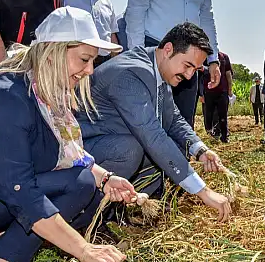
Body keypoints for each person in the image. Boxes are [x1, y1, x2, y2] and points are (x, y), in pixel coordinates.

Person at [0, 7, 135, 262]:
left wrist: (106, 177)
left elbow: (66, 153)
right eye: (84, 59)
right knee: (76, 185)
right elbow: (19, 189)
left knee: (85, 182)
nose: (89, 70)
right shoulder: (3, 97)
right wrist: (84, 250)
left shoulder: (39, 90)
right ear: (53, 51)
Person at [77, 23, 232, 221]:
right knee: (132, 149)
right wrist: (204, 192)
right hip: (82, 151)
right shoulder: (131, 74)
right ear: (168, 49)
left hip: (111, 142)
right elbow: (153, 136)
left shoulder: (158, 69)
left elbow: (173, 118)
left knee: (173, 149)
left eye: (195, 69)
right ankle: (92, 217)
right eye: (187, 66)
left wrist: (200, 150)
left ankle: (128, 208)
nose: (189, 76)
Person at [124, 0, 221, 127]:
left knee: (184, 120)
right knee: (151, 121)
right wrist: (139, 58)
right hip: (157, 52)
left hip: (190, 59)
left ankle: (181, 159)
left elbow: (207, 20)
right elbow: (135, 13)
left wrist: (213, 60)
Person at [64, 0, 119, 67]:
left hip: (105, 62)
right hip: (76, 61)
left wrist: (116, 61)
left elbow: (112, 33)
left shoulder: (106, 2)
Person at [203, 51, 234, 143]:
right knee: (208, 114)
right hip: (208, 91)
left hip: (222, 91)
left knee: (223, 114)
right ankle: (210, 133)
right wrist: (201, 93)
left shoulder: (224, 57)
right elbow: (200, 74)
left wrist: (230, 90)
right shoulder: (205, 56)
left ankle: (224, 136)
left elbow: (228, 74)